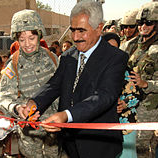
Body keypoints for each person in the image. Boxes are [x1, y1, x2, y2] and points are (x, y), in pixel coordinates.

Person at [18, 1, 129, 158]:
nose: (75, 37)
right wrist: (34, 103)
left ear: (99, 28)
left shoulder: (116, 58)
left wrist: (67, 115)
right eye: (72, 30)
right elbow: (54, 85)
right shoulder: (68, 56)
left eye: (81, 31)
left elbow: (104, 96)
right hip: (69, 142)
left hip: (98, 144)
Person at [0, 9, 62, 158]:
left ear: (39, 35)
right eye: (22, 39)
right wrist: (17, 108)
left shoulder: (52, 58)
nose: (27, 44)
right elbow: (4, 99)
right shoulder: (12, 65)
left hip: (53, 128)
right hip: (29, 133)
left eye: (31, 38)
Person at [120, 2, 158, 157]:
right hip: (126, 106)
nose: (143, 26)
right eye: (140, 23)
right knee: (126, 147)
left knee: (141, 148)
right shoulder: (129, 46)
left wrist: (146, 84)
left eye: (148, 23)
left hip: (148, 108)